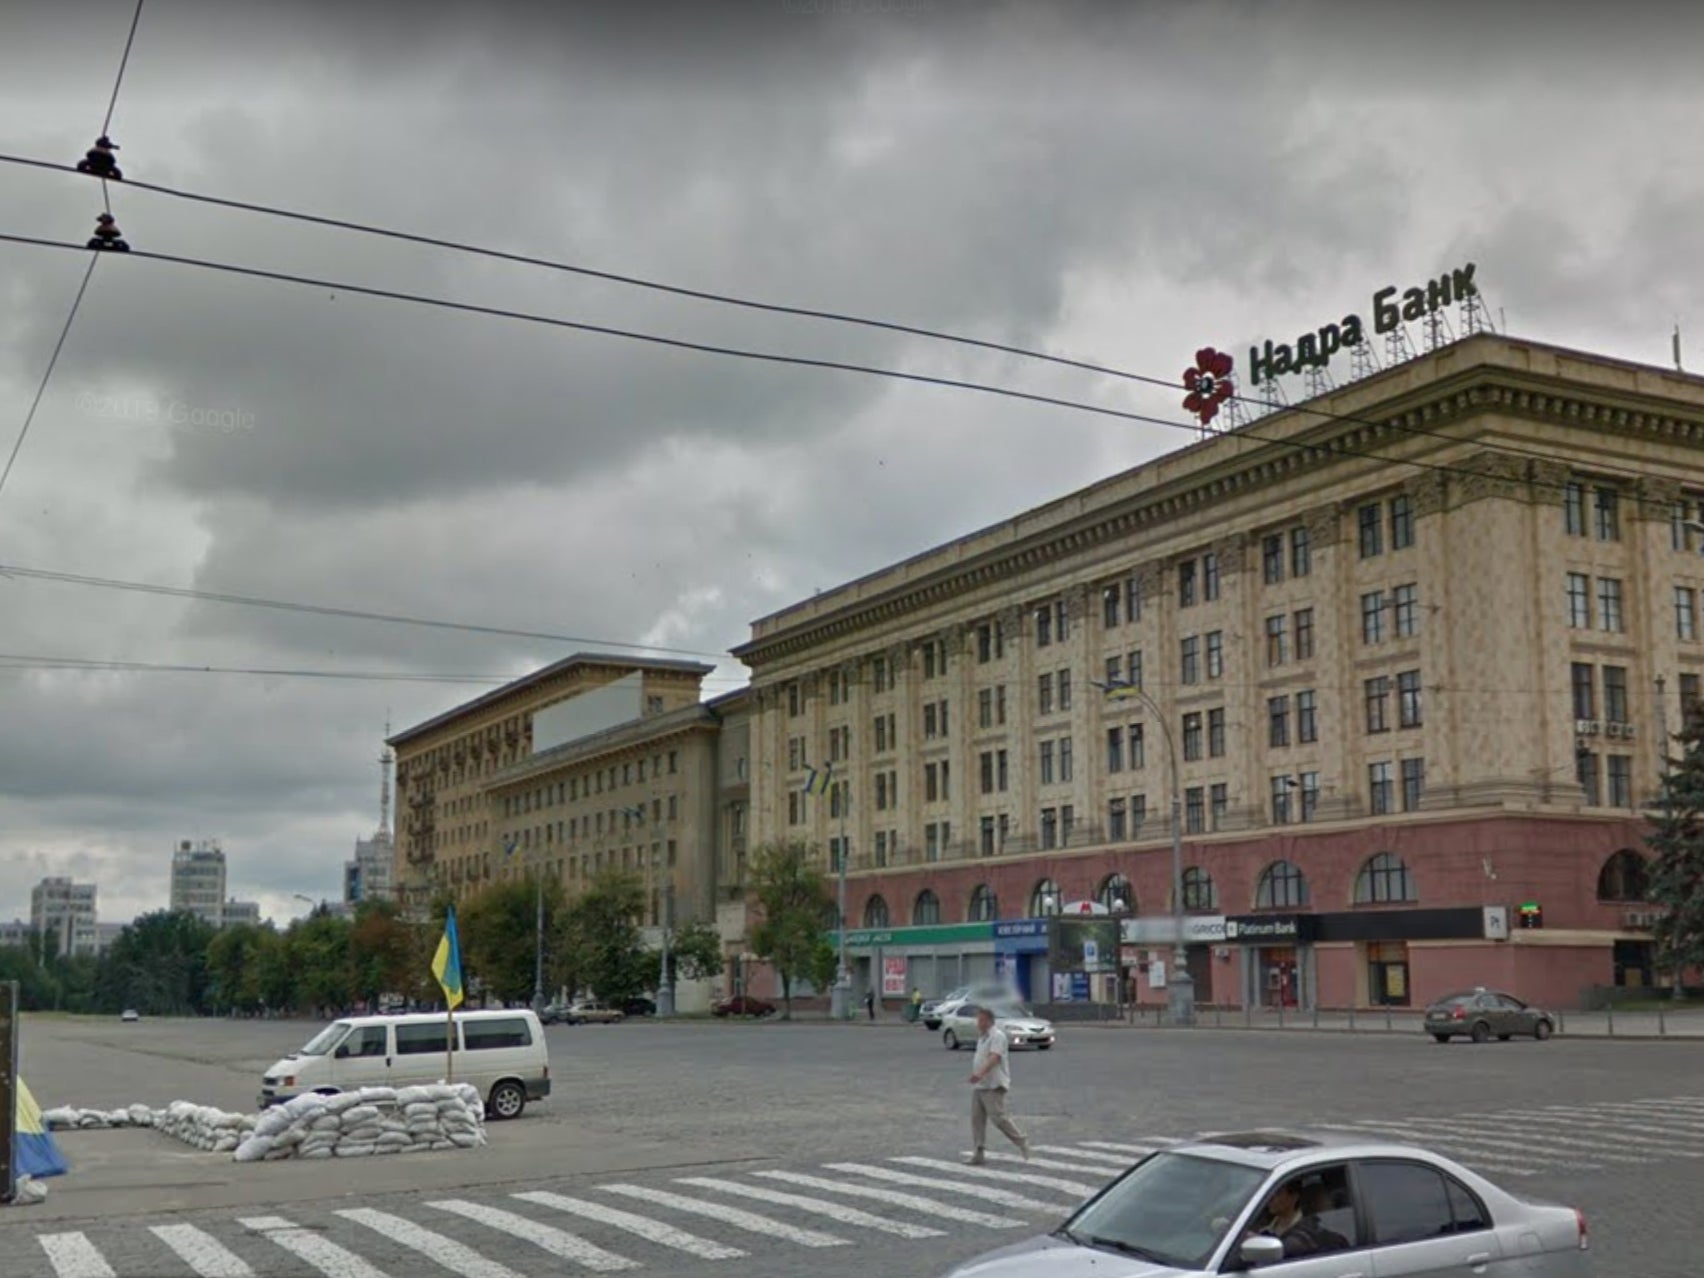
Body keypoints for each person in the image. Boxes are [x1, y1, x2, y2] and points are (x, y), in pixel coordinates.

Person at [966, 1007, 1029, 1164]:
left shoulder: (997, 1036)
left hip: (994, 1085)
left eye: (980, 1020)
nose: (977, 1023)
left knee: (998, 1118)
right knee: (977, 1120)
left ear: (988, 1021)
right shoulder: (982, 1037)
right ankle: (978, 1153)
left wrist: (979, 1073)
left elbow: (994, 1058)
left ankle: (1021, 1141)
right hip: (980, 1086)